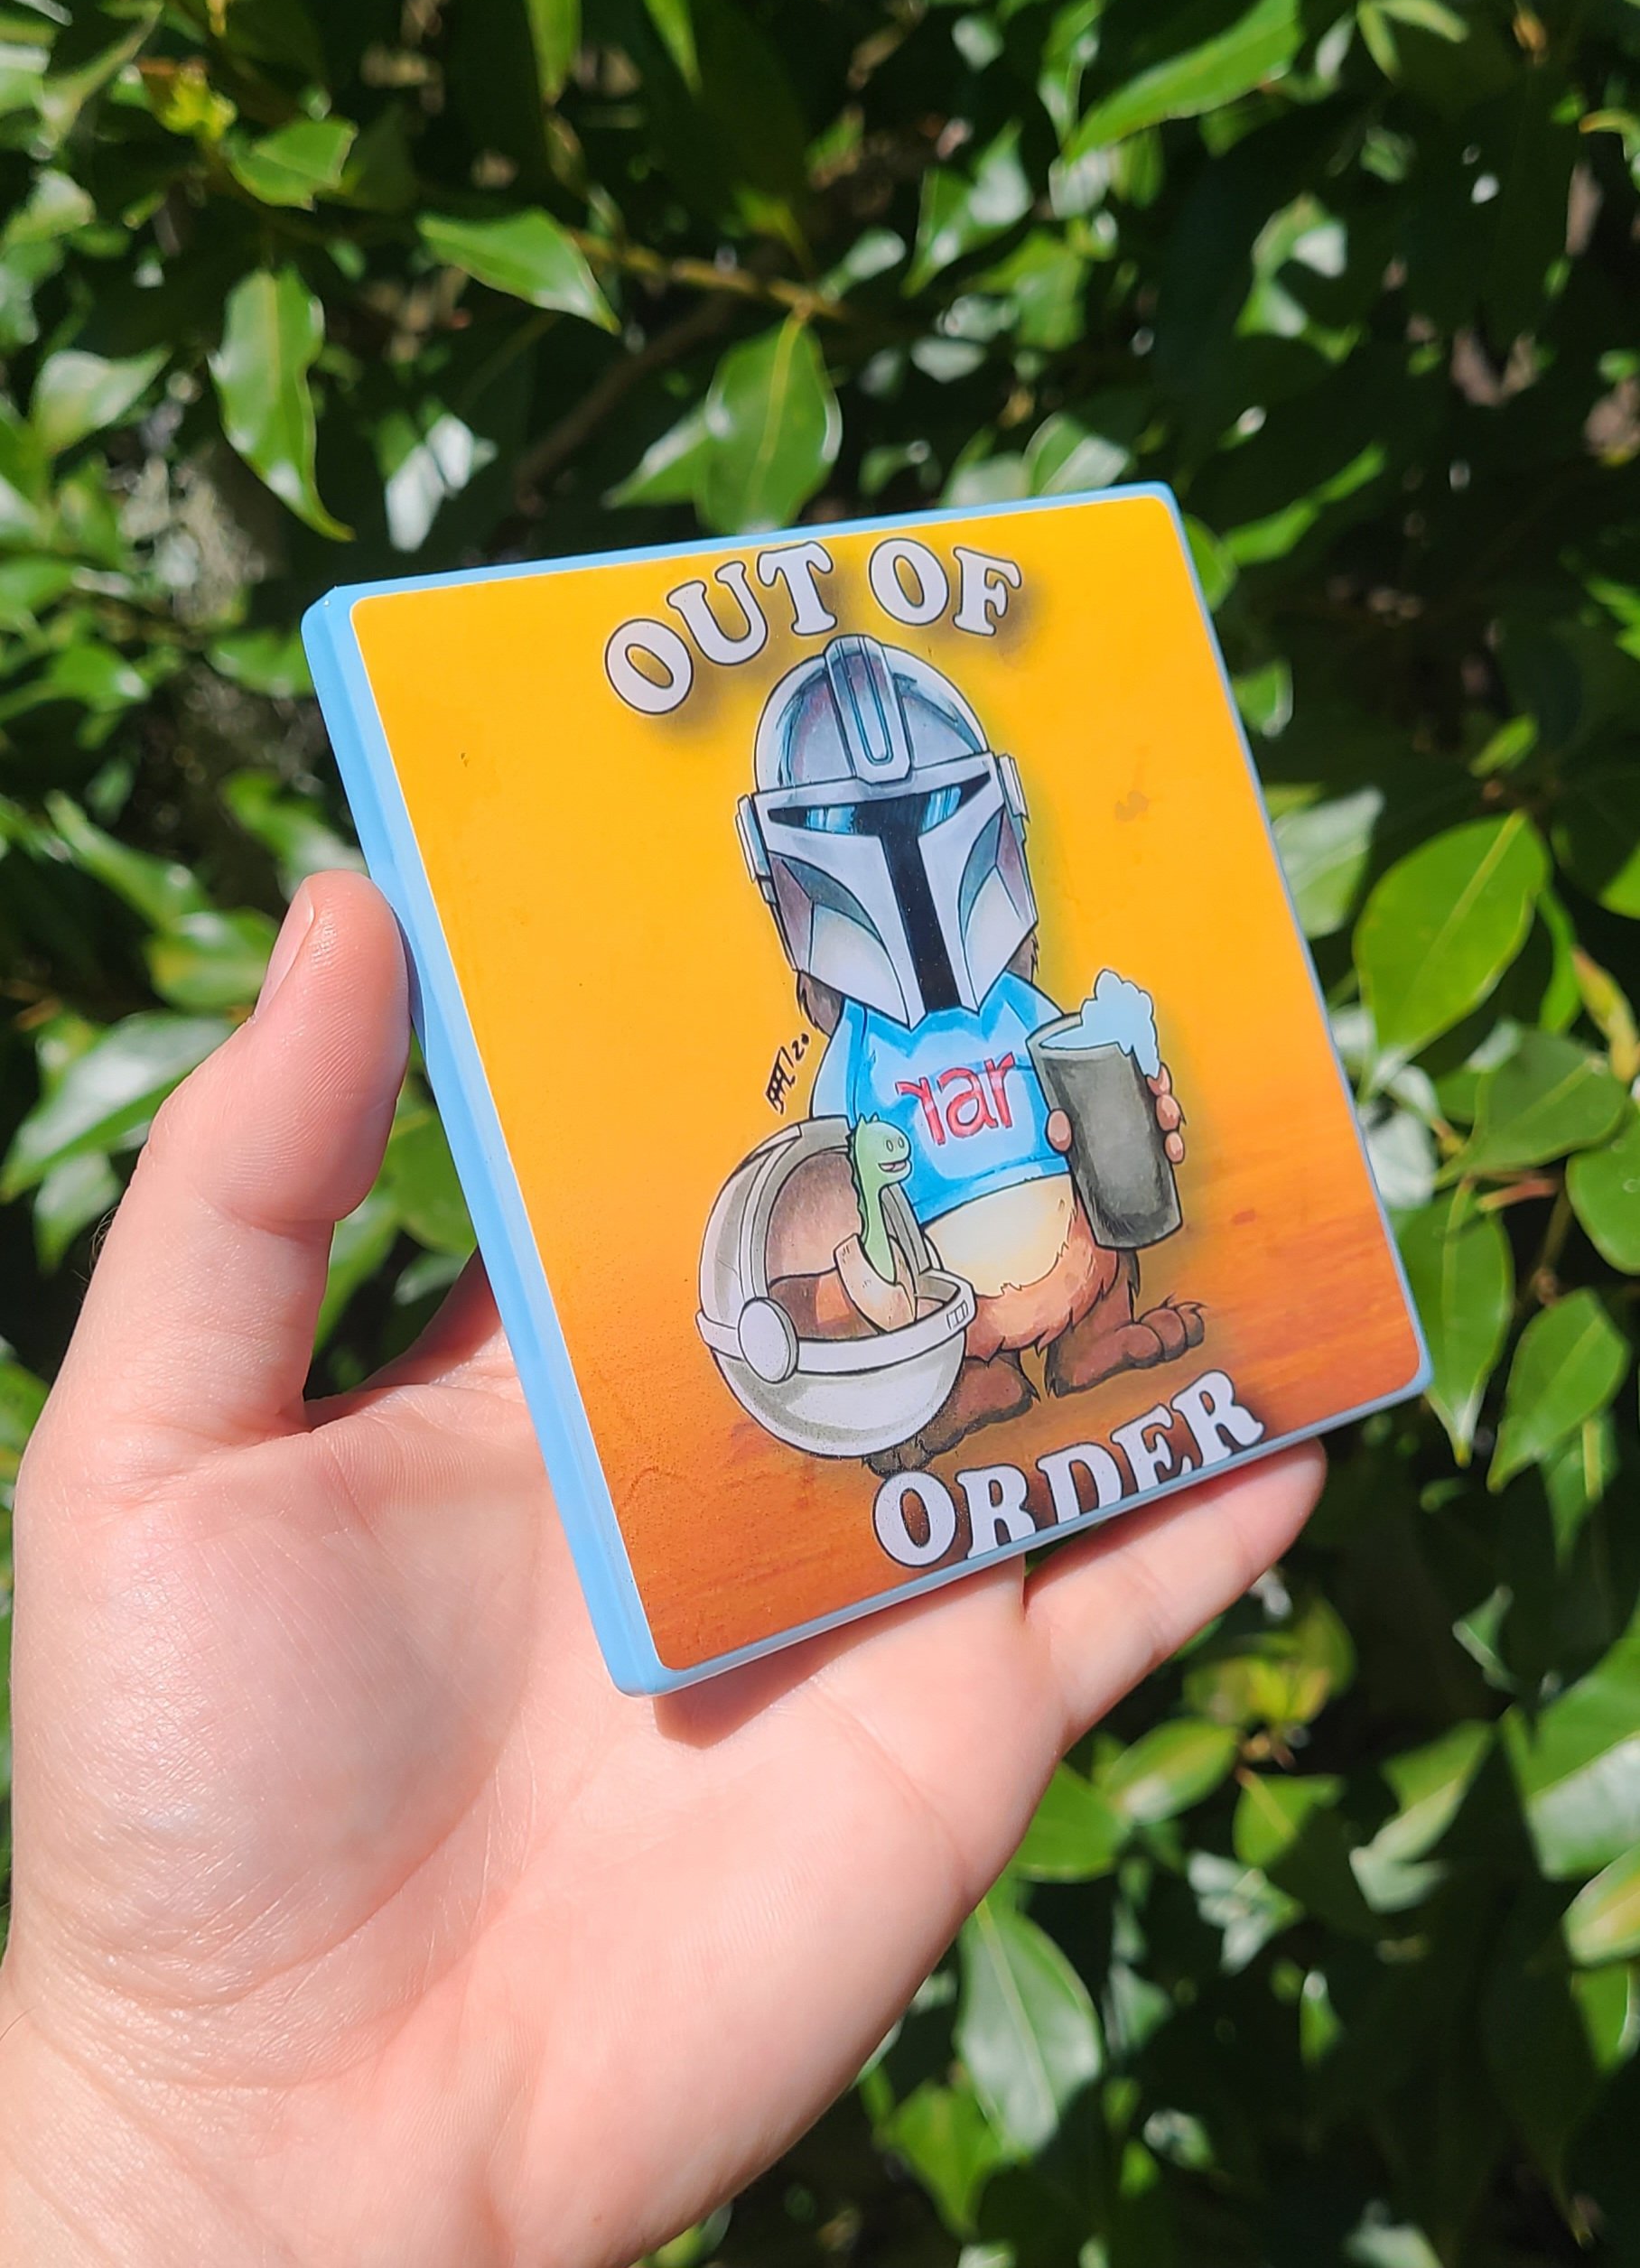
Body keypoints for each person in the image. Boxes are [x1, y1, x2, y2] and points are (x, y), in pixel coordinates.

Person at [0, 874, 1322, 2264]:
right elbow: (845, 1190)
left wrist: (179, 2149)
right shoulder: (854, 1083)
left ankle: (1075, 1333)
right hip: (930, 1342)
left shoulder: (1012, 1011)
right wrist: (179, 2120)